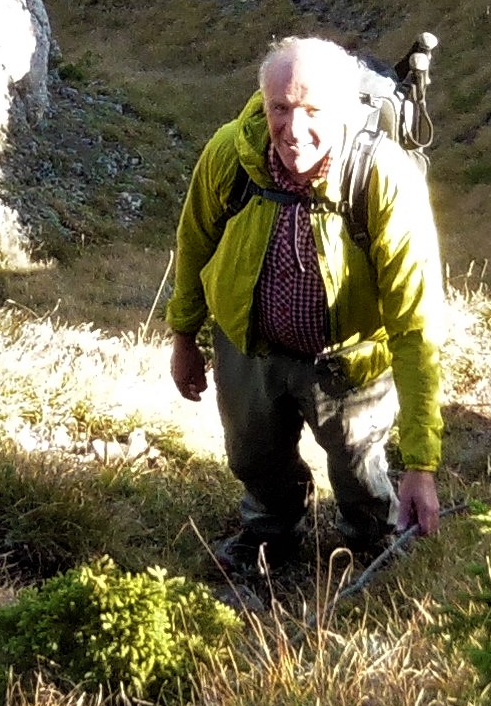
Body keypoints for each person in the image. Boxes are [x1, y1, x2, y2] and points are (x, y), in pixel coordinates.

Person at [160, 35, 447, 581]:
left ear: (342, 108)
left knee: (358, 466)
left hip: (349, 359)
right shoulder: (230, 154)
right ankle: (270, 530)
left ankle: (372, 539)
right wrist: (184, 336)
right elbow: (194, 243)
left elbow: (416, 324)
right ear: (262, 103)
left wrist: (421, 464)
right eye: (280, 108)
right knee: (252, 457)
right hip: (250, 348)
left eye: (312, 110)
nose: (293, 129)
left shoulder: (382, 176)